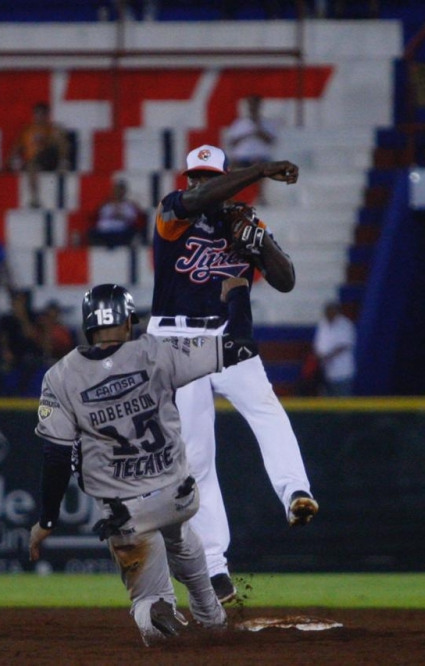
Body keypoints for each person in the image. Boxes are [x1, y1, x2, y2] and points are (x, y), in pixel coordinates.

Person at [29, 280, 259, 645]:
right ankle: (211, 617)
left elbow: (56, 455)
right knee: (182, 539)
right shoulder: (158, 351)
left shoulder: (59, 377)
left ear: (89, 325)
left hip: (126, 513)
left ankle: (156, 611)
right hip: (177, 495)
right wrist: (237, 295)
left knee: (149, 598)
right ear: (128, 321)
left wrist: (47, 519)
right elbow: (241, 346)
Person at [147, 144, 317, 603]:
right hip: (175, 342)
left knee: (267, 411)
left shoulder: (244, 225)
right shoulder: (171, 214)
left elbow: (286, 280)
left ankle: (296, 492)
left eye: (207, 176)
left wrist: (260, 244)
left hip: (229, 338)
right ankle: (217, 573)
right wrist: (259, 169)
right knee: (198, 459)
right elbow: (198, 201)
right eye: (195, 177)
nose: (198, 184)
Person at [8, 101, 71, 209]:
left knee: (59, 136)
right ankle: (34, 198)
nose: (40, 117)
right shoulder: (27, 130)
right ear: (34, 115)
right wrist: (11, 161)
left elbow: (62, 142)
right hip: (33, 161)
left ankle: (63, 164)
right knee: (31, 165)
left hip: (48, 157)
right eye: (37, 114)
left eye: (43, 114)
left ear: (47, 115)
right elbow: (16, 148)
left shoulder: (52, 128)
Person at [312, 301, 357, 396]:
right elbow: (318, 343)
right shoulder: (323, 324)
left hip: (342, 372)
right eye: (327, 311)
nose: (328, 313)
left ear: (336, 312)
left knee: (343, 404)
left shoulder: (345, 324)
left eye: (330, 311)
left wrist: (328, 356)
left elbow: (344, 345)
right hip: (326, 372)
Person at [87, 180, 147, 249]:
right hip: (105, 230)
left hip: (121, 231)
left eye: (120, 190)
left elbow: (134, 220)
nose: (118, 192)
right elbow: (97, 217)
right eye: (116, 190)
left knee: (131, 232)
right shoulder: (105, 205)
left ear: (124, 192)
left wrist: (121, 216)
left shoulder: (129, 206)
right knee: (92, 232)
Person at [224, 96, 277, 170]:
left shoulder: (267, 123)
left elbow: (270, 141)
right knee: (229, 168)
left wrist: (258, 128)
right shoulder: (239, 123)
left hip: (261, 158)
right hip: (241, 158)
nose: (252, 108)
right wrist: (245, 135)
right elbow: (231, 143)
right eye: (251, 105)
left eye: (255, 105)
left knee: (265, 169)